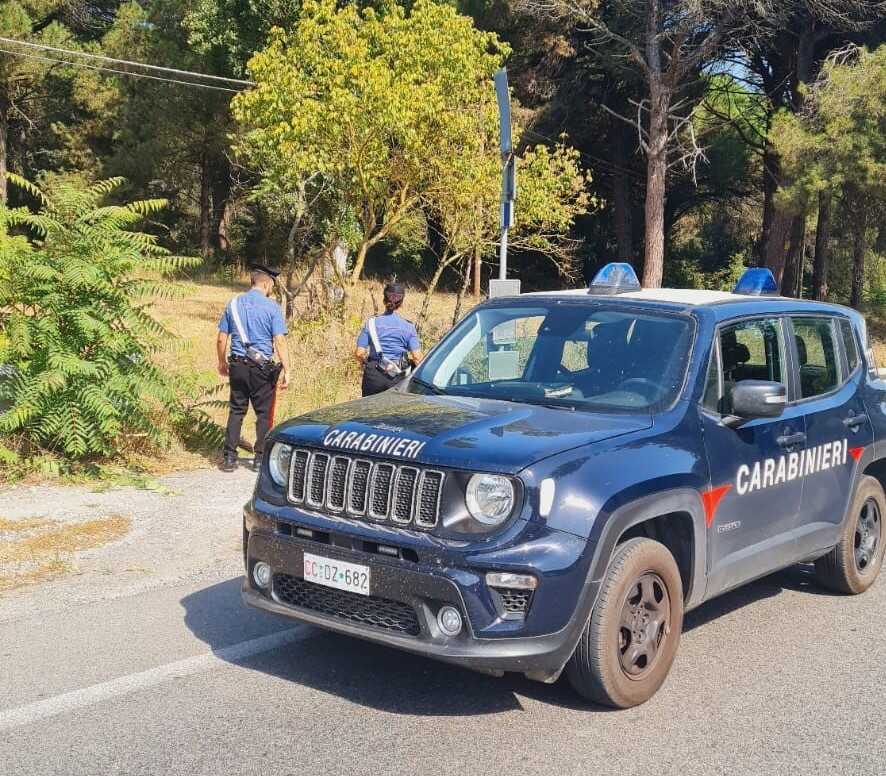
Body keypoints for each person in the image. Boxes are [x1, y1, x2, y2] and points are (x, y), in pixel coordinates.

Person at [217, 264, 291, 472]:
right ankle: (259, 459)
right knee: (263, 414)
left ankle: (230, 458)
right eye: (271, 287)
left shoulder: (232, 305)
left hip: (238, 365)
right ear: (266, 284)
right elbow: (279, 340)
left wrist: (222, 362)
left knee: (236, 410)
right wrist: (287, 369)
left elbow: (222, 339)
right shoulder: (272, 308)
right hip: (262, 369)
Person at [355, 282, 423, 396]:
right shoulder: (409, 327)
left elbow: (358, 353)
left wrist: (367, 365)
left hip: (373, 376)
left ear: (384, 300)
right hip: (398, 377)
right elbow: (417, 357)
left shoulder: (371, 323)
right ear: (401, 304)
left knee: (369, 411)